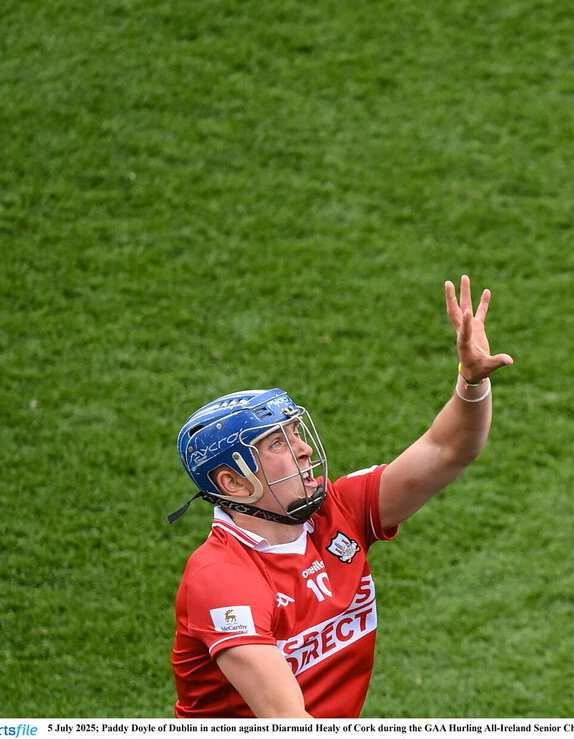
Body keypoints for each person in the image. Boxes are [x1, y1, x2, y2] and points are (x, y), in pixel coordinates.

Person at [168, 275, 512, 718]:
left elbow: (448, 451)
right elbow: (289, 722)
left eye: (295, 432)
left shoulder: (338, 509)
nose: (304, 448)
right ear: (233, 482)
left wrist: (470, 382)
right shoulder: (222, 579)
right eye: (277, 443)